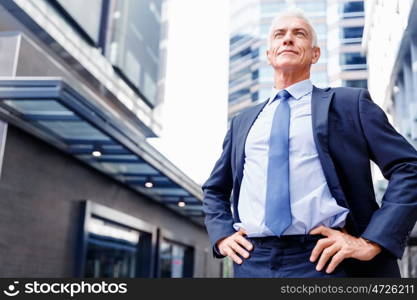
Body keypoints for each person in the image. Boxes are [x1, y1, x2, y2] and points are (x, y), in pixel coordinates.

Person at [202, 8, 417, 278]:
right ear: (269, 55)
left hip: (325, 260)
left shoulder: (351, 104)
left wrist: (373, 241)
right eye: (279, 34)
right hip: (252, 261)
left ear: (315, 54)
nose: (288, 39)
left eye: (299, 34)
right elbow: (214, 189)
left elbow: (409, 167)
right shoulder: (242, 122)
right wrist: (222, 235)